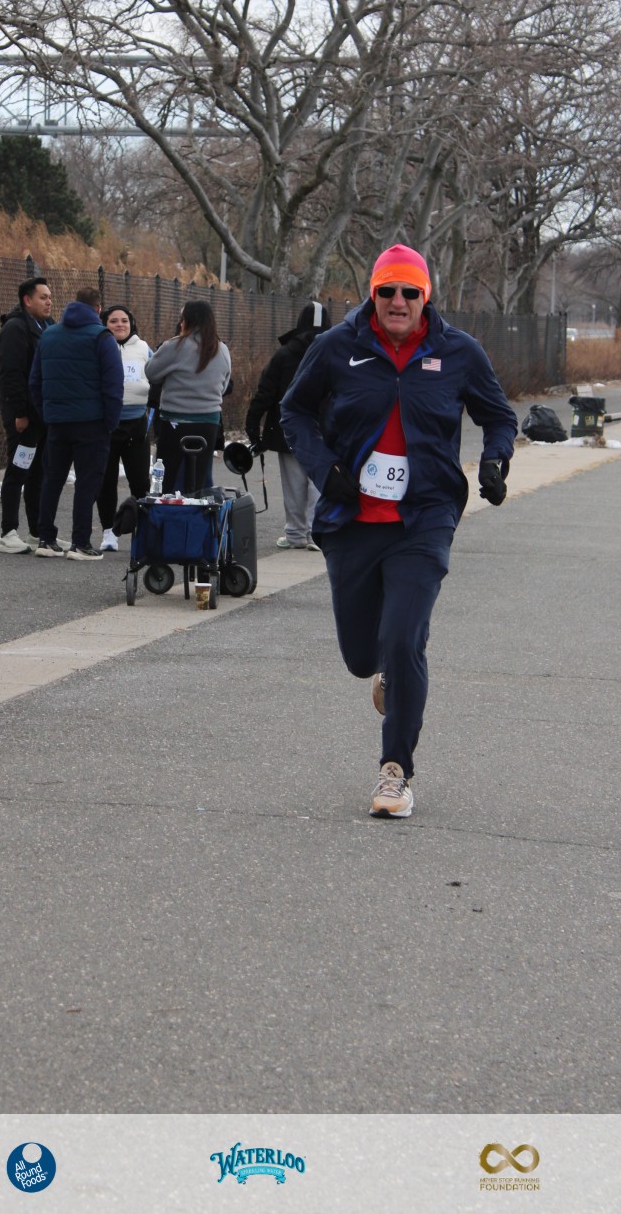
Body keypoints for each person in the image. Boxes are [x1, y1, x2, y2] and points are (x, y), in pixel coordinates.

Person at [281, 244, 517, 820]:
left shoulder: (457, 352)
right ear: (373, 294)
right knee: (363, 655)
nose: (398, 301)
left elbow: (498, 415)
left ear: (425, 297)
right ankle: (385, 668)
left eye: (410, 292)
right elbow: (294, 412)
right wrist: (325, 471)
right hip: (352, 521)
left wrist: (495, 459)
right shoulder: (336, 346)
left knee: (405, 637)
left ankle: (395, 772)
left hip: (424, 518)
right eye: (387, 290)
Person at [28, 287, 124, 560]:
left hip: (57, 422)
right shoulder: (101, 337)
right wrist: (110, 422)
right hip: (92, 422)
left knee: (52, 479)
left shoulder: (49, 334)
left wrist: (48, 412)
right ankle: (80, 542)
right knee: (87, 482)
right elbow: (113, 385)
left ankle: (45, 538)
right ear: (98, 309)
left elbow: (35, 381)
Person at [245, 301, 331, 550]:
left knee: (293, 484)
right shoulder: (335, 351)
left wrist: (253, 424)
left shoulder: (284, 354)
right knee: (318, 482)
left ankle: (295, 533)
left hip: (289, 428)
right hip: (325, 427)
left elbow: (266, 392)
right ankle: (316, 532)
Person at [0, 276, 56, 553]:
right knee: (18, 470)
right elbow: (11, 375)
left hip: (42, 415)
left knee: (38, 474)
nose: (49, 301)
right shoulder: (15, 329)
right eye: (43, 297)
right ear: (27, 300)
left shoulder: (48, 326)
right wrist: (20, 413)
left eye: (50, 297)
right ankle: (7, 532)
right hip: (24, 417)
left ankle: (36, 531)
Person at [144, 300, 231, 495]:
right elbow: (224, 386)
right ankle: (197, 507)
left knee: (168, 476)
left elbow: (151, 372)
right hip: (209, 421)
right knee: (200, 477)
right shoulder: (221, 349)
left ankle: (167, 507)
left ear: (187, 320)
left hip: (175, 420)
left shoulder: (174, 345)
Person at [96, 305, 153, 551]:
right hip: (107, 423)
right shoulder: (98, 345)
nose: (120, 325)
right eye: (113, 321)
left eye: (124, 320)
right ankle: (109, 531)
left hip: (137, 423)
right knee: (106, 481)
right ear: (104, 324)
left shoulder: (143, 348)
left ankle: (143, 531)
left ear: (131, 324)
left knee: (140, 481)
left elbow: (156, 376)